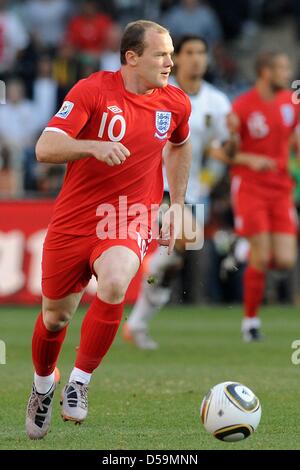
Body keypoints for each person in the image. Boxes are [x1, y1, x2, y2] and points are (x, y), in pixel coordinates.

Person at [25, 20, 192, 440]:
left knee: (116, 281)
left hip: (128, 215)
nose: (170, 62)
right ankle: (44, 385)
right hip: (74, 218)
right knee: (55, 317)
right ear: (131, 57)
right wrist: (92, 146)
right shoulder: (92, 91)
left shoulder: (175, 103)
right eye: (161, 54)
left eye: (171, 53)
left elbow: (180, 143)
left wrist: (177, 203)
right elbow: (45, 148)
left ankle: (80, 382)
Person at [123, 35, 231, 349]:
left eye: (201, 52)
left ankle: (137, 323)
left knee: (171, 263)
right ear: (176, 58)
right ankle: (145, 267)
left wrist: (213, 175)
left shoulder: (216, 101)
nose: (196, 58)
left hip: (194, 192)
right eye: (189, 52)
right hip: (157, 188)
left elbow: (221, 151)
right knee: (181, 241)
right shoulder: (158, 93)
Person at [229, 52, 299, 341]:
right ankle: (250, 323)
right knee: (262, 255)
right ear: (265, 72)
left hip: (281, 188)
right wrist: (249, 159)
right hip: (250, 186)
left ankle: (242, 250)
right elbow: (229, 153)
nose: (288, 73)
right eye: (282, 68)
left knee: (284, 259)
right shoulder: (242, 106)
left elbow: (294, 140)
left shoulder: (290, 104)